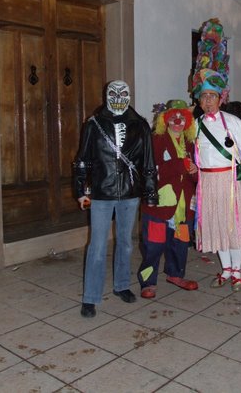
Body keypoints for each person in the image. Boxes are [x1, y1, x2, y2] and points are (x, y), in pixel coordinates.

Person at [73, 80, 158, 317]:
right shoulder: (94, 124)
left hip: (129, 193)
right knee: (97, 246)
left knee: (126, 242)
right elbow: (83, 159)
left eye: (123, 93)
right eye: (114, 93)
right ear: (107, 95)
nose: (119, 97)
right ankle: (91, 297)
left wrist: (151, 193)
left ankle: (121, 285)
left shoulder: (140, 125)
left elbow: (149, 162)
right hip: (101, 192)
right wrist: (80, 190)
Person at [193, 70, 241, 290]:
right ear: (199, 100)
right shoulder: (196, 125)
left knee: (234, 226)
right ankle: (226, 270)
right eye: (204, 96)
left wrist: (240, 177)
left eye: (212, 96)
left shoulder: (232, 122)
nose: (208, 100)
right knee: (216, 225)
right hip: (207, 182)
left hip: (230, 181)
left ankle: (237, 272)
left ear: (221, 98)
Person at [138, 100, 198, 298]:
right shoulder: (155, 140)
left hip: (184, 204)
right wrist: (179, 165)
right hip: (159, 204)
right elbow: (147, 170)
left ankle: (176, 274)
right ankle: (148, 281)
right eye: (173, 117)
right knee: (153, 245)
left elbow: (198, 174)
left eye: (182, 117)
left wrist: (195, 171)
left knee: (180, 243)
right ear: (165, 120)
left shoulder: (191, 142)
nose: (178, 121)